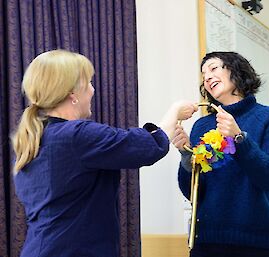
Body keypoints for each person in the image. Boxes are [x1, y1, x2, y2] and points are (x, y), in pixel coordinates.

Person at [12, 49, 198, 257]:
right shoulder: (77, 136)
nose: (92, 90)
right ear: (72, 93)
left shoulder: (33, 140)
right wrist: (174, 111)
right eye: (89, 83)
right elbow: (147, 146)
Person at [172, 51, 269, 257]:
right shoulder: (202, 125)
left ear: (236, 71)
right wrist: (185, 156)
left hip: (257, 244)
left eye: (214, 68)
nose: (207, 77)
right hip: (207, 243)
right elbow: (193, 193)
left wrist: (239, 139)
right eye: (203, 74)